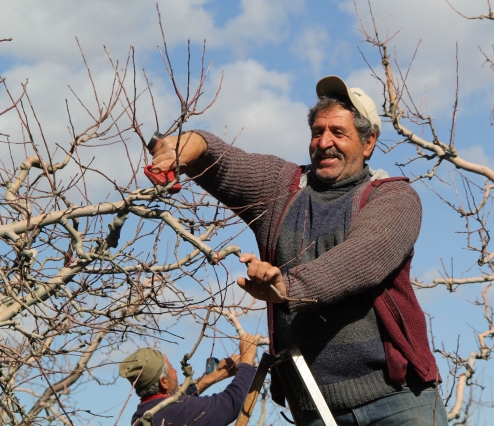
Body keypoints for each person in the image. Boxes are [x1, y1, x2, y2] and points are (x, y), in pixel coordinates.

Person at [151, 76, 447, 424]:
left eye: (338, 132)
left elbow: (366, 257)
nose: (324, 142)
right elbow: (222, 160)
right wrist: (184, 146)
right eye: (317, 132)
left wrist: (288, 287)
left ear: (368, 144)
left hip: (396, 399)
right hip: (314, 407)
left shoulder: (393, 197)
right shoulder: (282, 188)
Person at [119, 333, 260, 426]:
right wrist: (246, 363)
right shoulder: (178, 410)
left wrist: (217, 374)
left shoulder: (140, 417)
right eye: (171, 367)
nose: (175, 371)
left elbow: (180, 394)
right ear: (163, 382)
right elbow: (230, 404)